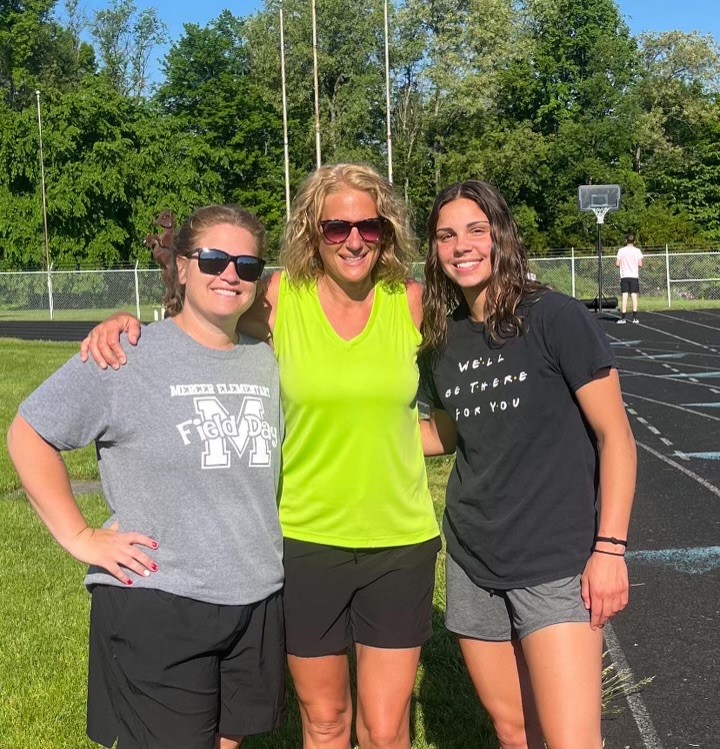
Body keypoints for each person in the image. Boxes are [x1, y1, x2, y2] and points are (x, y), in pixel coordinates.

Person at [80, 164, 441, 749]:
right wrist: (130, 328)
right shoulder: (277, 299)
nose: (353, 240)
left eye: (369, 227)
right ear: (312, 232)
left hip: (398, 542)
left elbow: (448, 408)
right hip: (302, 540)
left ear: (387, 232)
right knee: (324, 721)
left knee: (385, 727)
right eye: (335, 228)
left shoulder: (413, 303)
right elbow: (198, 325)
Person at [8, 205, 286, 749]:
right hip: (161, 598)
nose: (230, 273)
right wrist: (80, 536)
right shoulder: (127, 354)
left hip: (255, 593)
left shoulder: (268, 359)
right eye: (213, 259)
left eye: (247, 265)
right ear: (182, 268)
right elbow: (29, 433)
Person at [418, 180, 636, 749]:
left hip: (555, 561)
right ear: (435, 250)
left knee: (571, 740)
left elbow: (617, 438)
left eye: (475, 230)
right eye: (446, 235)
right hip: (472, 558)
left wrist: (610, 550)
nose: (461, 245)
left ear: (500, 237)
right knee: (515, 732)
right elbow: (447, 432)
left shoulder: (555, 318)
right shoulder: (441, 339)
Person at [615, 233, 643, 324]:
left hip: (624, 275)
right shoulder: (637, 251)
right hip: (634, 276)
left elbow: (617, 264)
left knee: (624, 296)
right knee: (634, 296)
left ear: (626, 240)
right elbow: (640, 264)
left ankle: (623, 318)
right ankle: (634, 318)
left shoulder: (621, 250)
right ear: (634, 241)